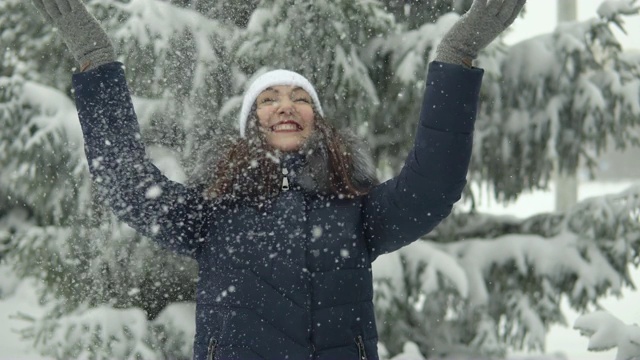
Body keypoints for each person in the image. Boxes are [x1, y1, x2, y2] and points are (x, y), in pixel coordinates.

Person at [32, 0, 525, 359]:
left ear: (317, 120)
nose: (285, 105)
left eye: (299, 97)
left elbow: (433, 187)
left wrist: (457, 56)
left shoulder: (358, 212)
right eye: (268, 99)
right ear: (252, 125)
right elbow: (127, 184)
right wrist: (95, 58)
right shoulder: (211, 215)